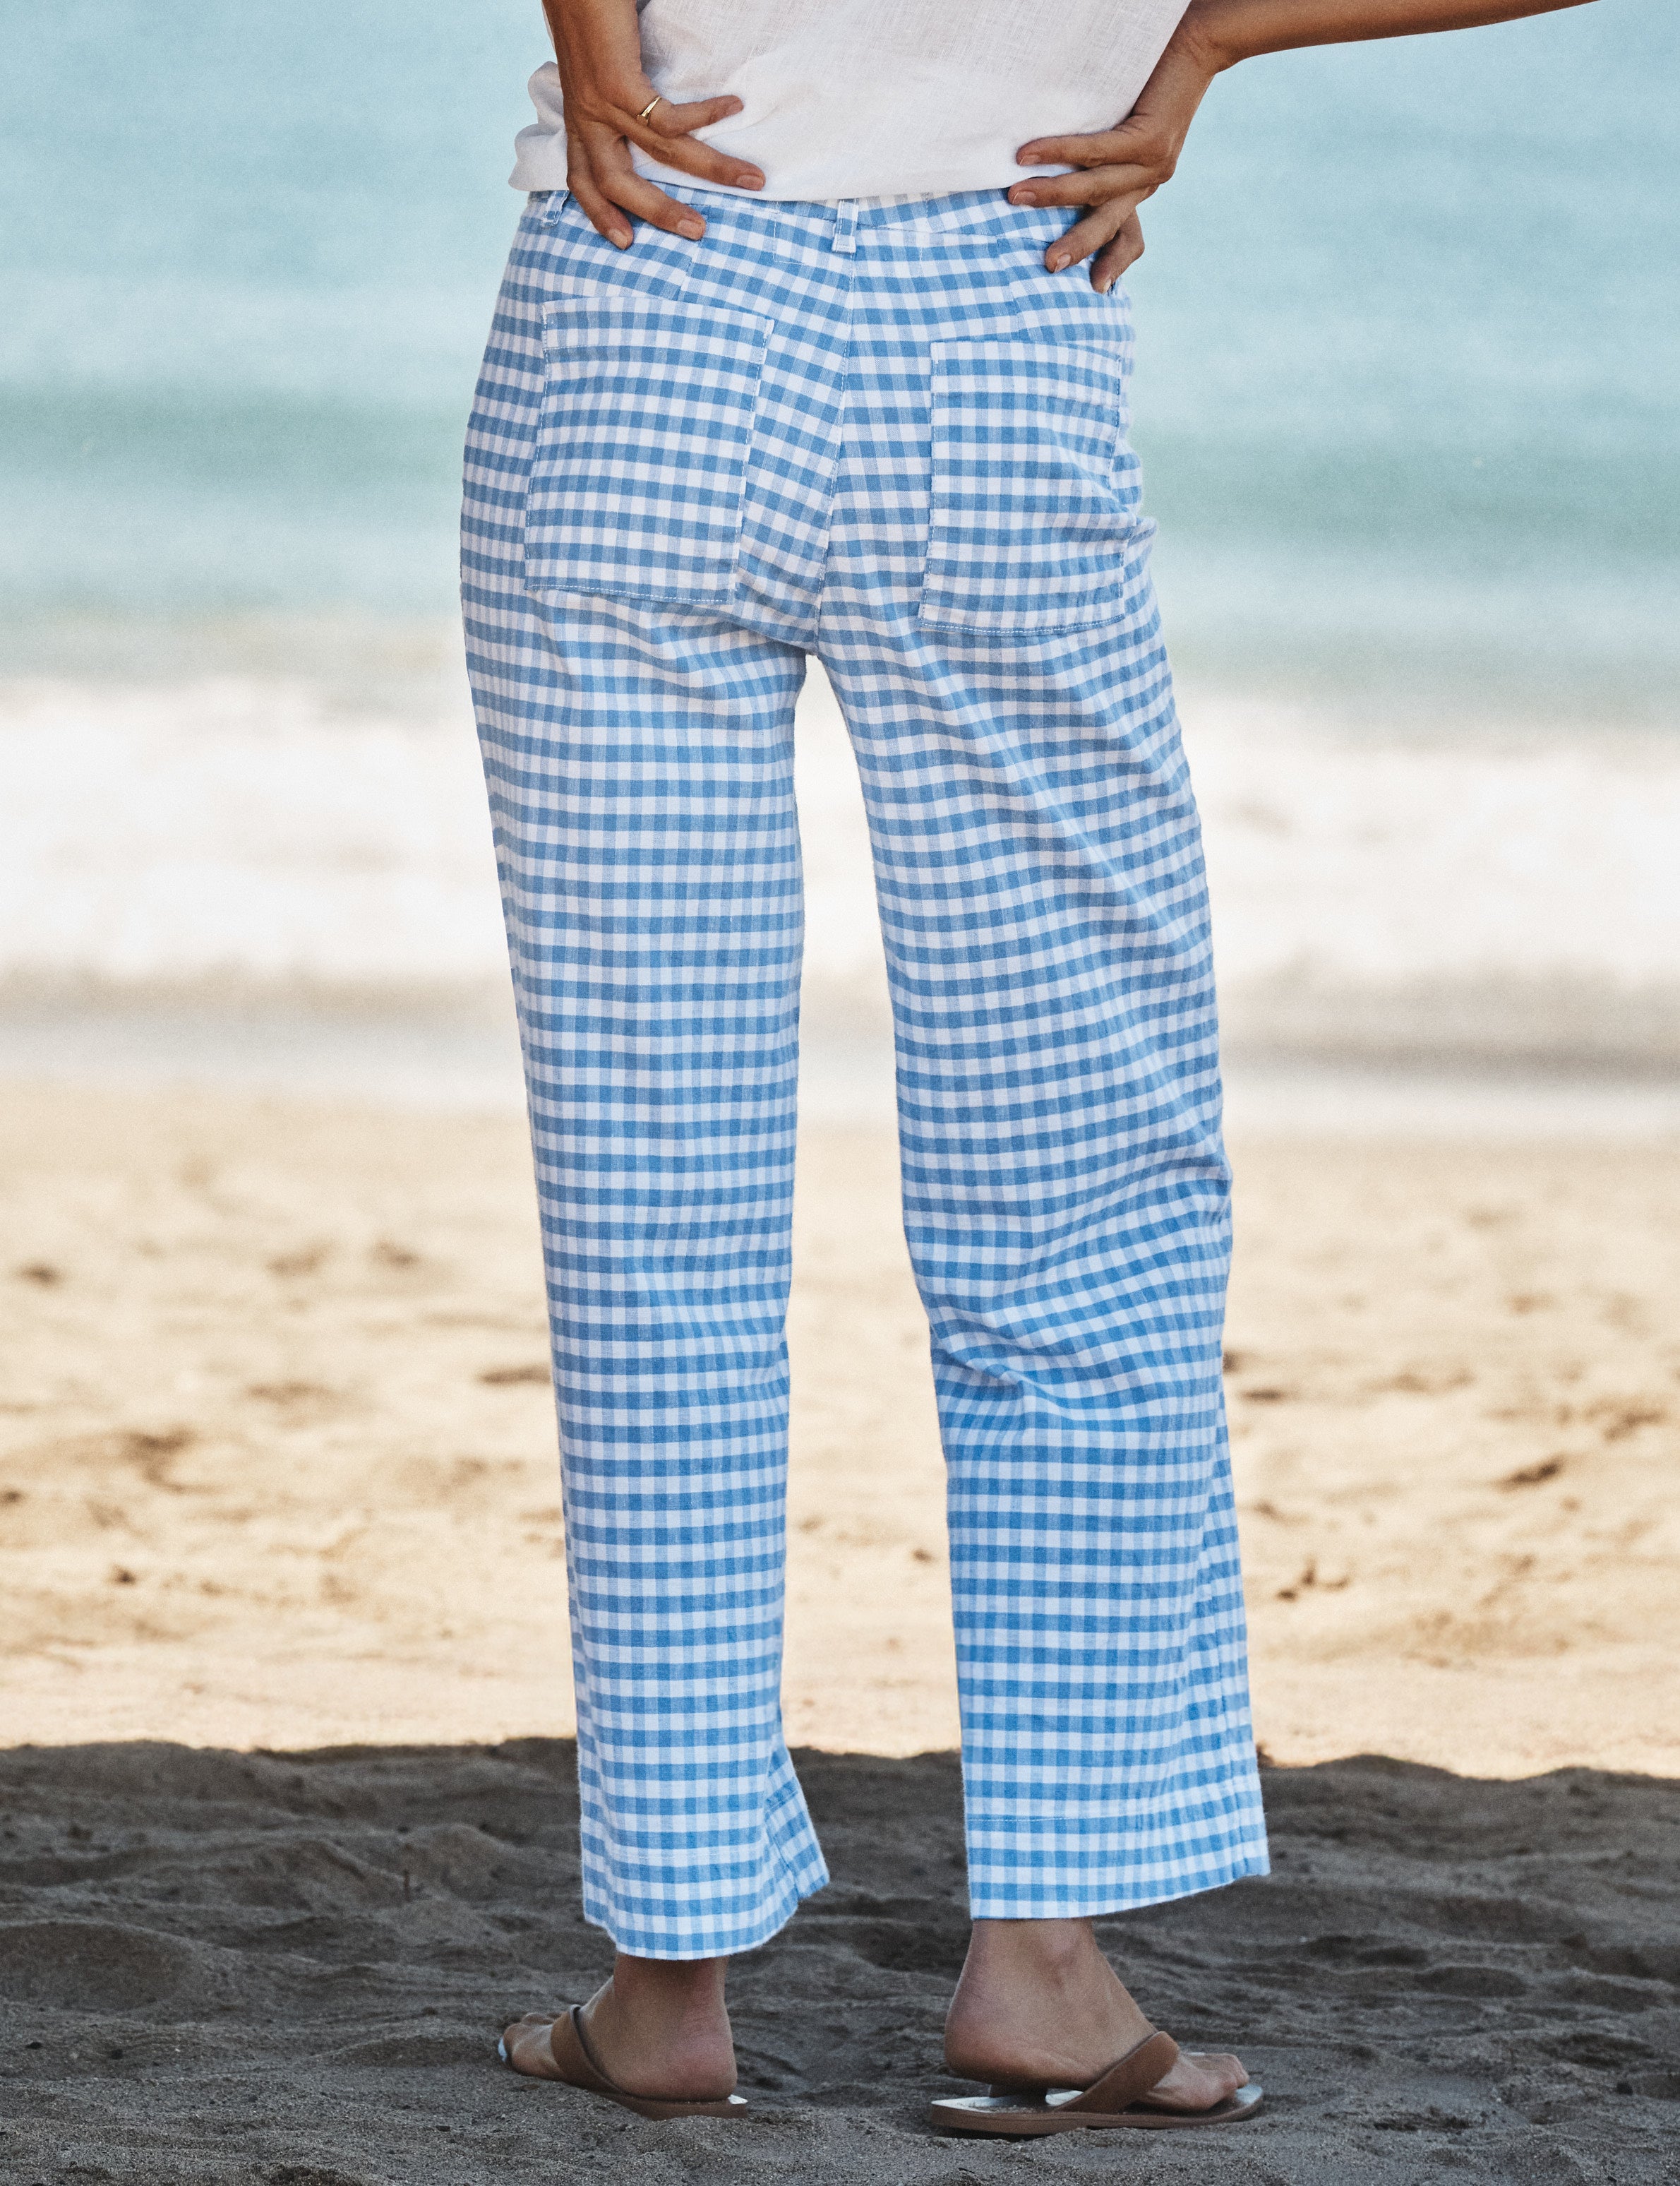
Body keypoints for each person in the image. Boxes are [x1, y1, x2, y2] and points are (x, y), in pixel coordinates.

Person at [464, 0, 1595, 2137]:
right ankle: (1047, 1965)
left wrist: (589, 34)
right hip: (994, 307)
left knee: (651, 1205)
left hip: (646, 298)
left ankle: (668, 1968)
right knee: (1076, 1191)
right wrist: (1201, 51)